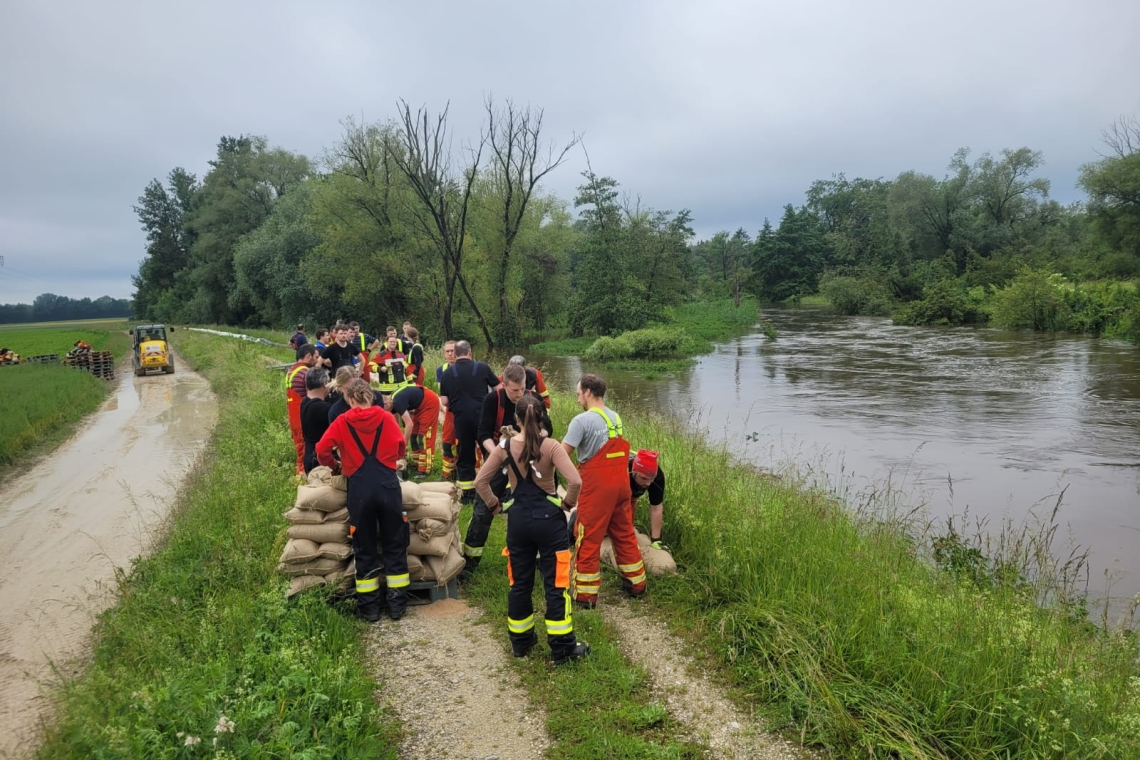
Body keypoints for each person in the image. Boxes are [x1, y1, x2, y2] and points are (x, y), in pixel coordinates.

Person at [475, 395, 590, 665]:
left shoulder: (504, 446)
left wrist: (495, 506)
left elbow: (481, 481)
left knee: (520, 583)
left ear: (516, 420)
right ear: (542, 418)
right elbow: (575, 481)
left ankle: (521, 643)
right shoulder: (550, 447)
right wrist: (567, 503)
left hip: (518, 522)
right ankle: (562, 648)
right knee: (556, 584)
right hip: (550, 521)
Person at [316, 379, 410, 621]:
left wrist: (335, 465)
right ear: (371, 396)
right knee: (395, 543)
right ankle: (397, 605)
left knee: (364, 546)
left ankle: (369, 609)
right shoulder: (387, 418)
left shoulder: (342, 421)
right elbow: (400, 447)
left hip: (359, 489)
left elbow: (321, 450)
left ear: (349, 399)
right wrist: (392, 459)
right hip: (388, 486)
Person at [561, 374, 646, 608]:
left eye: (579, 393)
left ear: (588, 392)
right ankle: (636, 584)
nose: (578, 398)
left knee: (587, 538)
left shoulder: (581, 421)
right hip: (621, 487)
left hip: (598, 490)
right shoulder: (614, 417)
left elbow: (562, 453)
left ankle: (585, 597)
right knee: (624, 534)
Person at [461, 364, 551, 577]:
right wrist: (500, 454)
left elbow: (548, 429)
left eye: (521, 390)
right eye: (514, 391)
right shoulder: (494, 400)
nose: (519, 395)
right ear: (504, 385)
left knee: (533, 510)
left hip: (528, 463)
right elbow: (482, 433)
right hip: (499, 460)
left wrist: (531, 441)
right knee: (482, 511)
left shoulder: (534, 399)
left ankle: (537, 561)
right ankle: (470, 562)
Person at [438, 340, 500, 503]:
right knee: (489, 451)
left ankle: (468, 494)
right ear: (470, 352)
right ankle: (495, 487)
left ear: (456, 354)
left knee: (465, 455)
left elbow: (444, 401)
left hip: (461, 419)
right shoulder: (482, 367)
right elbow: (498, 389)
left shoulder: (446, 374)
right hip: (482, 417)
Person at [385, 383, 440, 478]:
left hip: (429, 403)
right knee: (414, 435)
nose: (385, 412)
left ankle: (425, 469)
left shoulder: (397, 401)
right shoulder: (393, 400)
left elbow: (409, 424)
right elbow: (396, 424)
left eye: (384, 409)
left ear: (386, 404)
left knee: (423, 436)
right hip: (420, 406)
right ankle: (417, 463)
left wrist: (403, 445)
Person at [286, 345, 320, 474]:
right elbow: (312, 395)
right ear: (308, 356)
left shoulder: (291, 371)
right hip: (302, 415)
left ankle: (299, 475)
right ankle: (303, 476)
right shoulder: (306, 372)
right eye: (316, 357)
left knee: (299, 448)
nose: (317, 361)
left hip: (293, 415)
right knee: (305, 449)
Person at [629, 450, 666, 548]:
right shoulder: (622, 471)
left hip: (631, 496)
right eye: (644, 478)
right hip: (602, 488)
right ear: (633, 471)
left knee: (627, 525)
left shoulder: (657, 477)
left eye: (651, 479)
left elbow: (656, 507)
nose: (648, 483)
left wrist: (656, 540)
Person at [300, 367, 331, 473]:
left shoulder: (305, 402)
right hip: (319, 461)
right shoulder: (321, 408)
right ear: (324, 384)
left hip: (309, 455)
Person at [436, 340, 459, 479]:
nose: (450, 354)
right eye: (447, 351)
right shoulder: (441, 370)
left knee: (463, 443)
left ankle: (461, 471)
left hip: (464, 410)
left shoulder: (465, 366)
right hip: (450, 410)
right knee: (447, 442)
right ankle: (448, 473)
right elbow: (442, 392)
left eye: (453, 351)